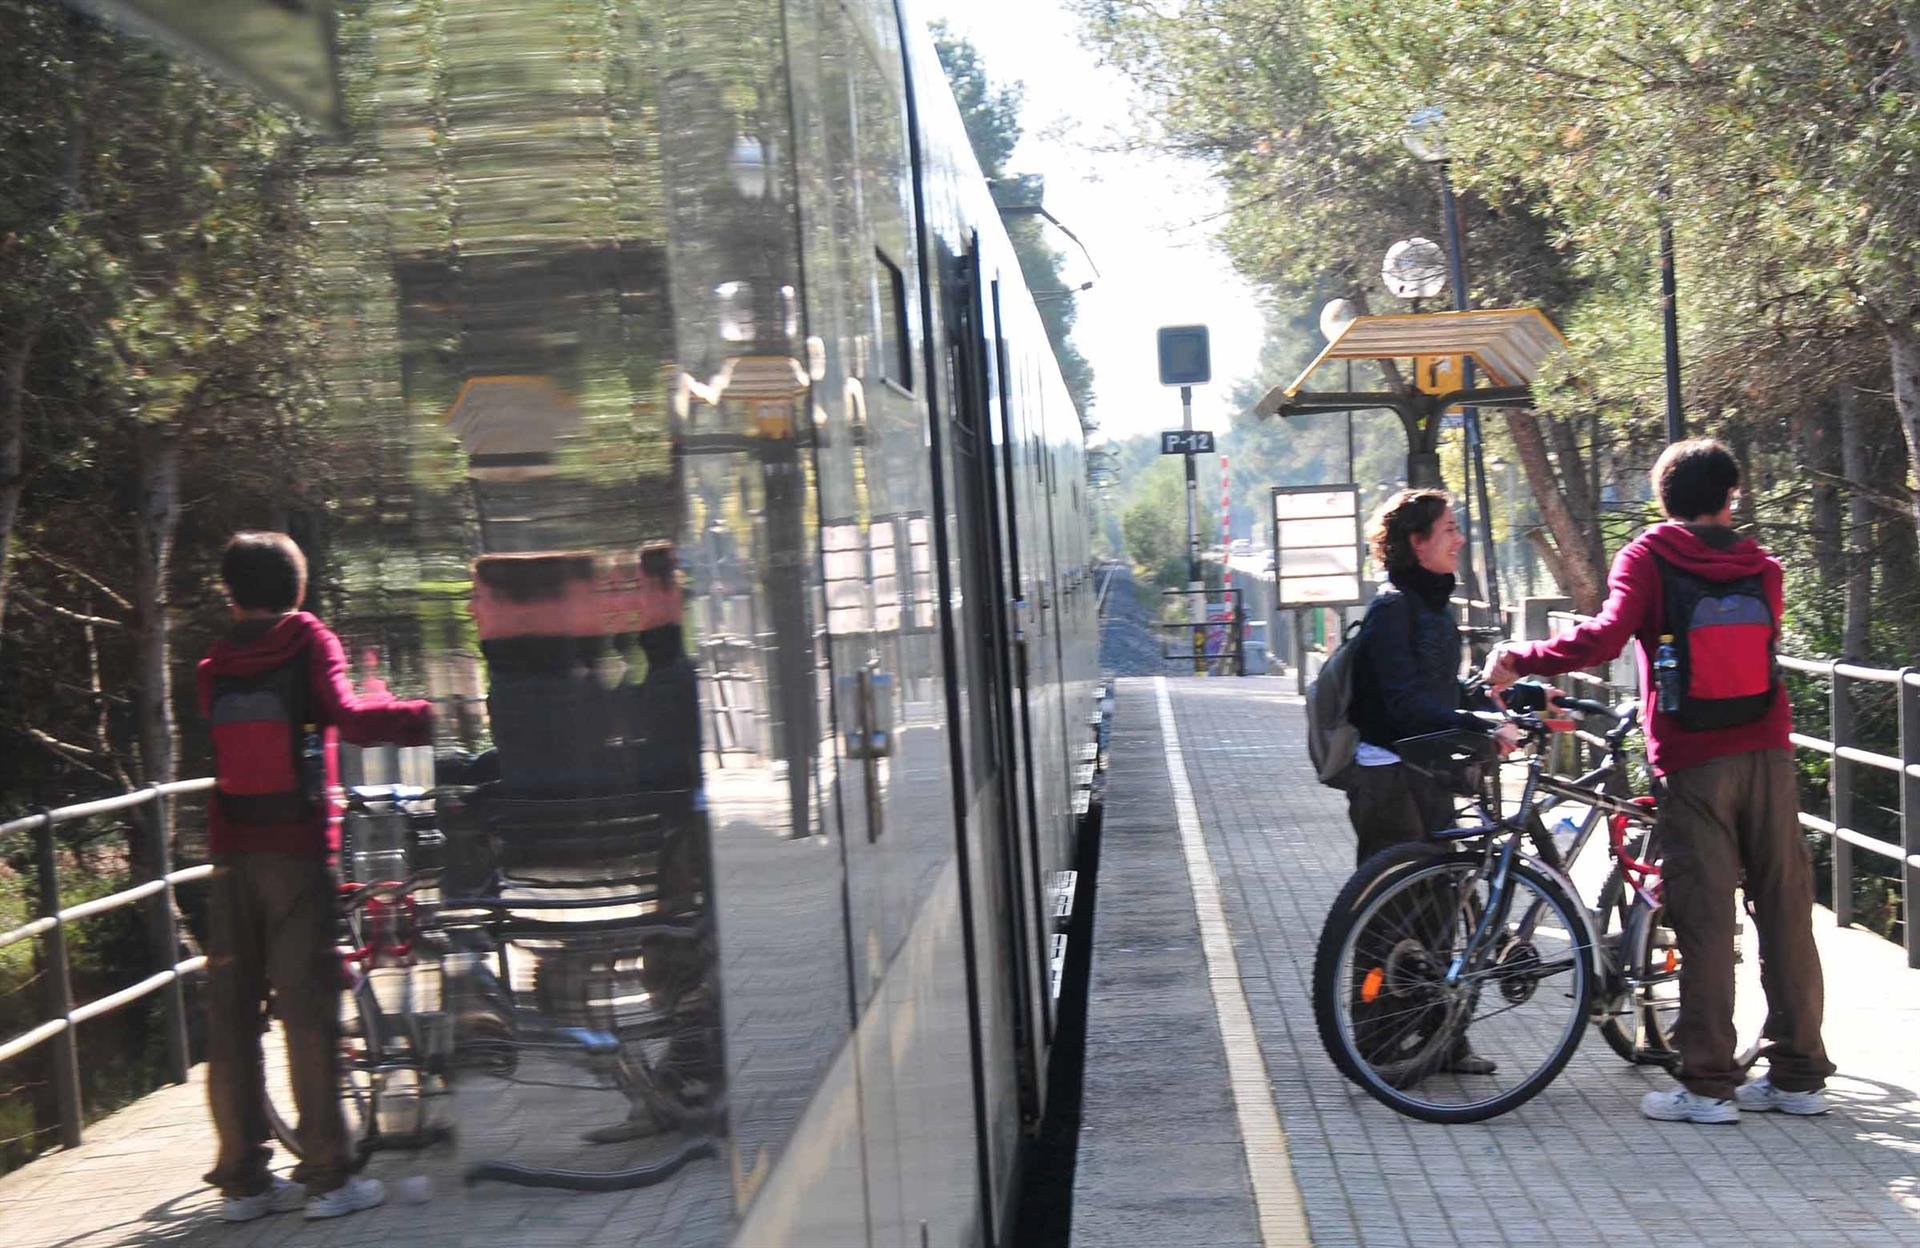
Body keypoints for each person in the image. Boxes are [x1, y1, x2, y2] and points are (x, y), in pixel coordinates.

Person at [1484, 438, 1833, 1124]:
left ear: (1664, 497)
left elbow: (1604, 639)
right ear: (1730, 496)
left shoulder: (1649, 555)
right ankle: (1798, 1076)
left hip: (1694, 758)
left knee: (1704, 920)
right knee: (1786, 912)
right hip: (1768, 751)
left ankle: (1707, 1086)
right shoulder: (1762, 566)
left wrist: (1521, 658)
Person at [196, 532, 433, 1220]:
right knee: (308, 1011)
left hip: (231, 851)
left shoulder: (215, 661)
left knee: (233, 1017)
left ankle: (242, 1182)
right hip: (297, 849)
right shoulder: (306, 640)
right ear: (298, 587)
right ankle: (328, 1178)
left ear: (231, 593)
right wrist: (425, 716)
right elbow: (349, 718)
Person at [1348, 488, 1517, 866]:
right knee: (1397, 898)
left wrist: (1525, 696)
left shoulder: (1430, 605)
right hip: (1391, 779)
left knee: (1441, 892)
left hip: (1425, 770)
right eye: (1450, 529)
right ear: (1417, 541)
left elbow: (1442, 690)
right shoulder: (1392, 608)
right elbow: (1405, 704)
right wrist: (1480, 725)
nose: (1460, 540)